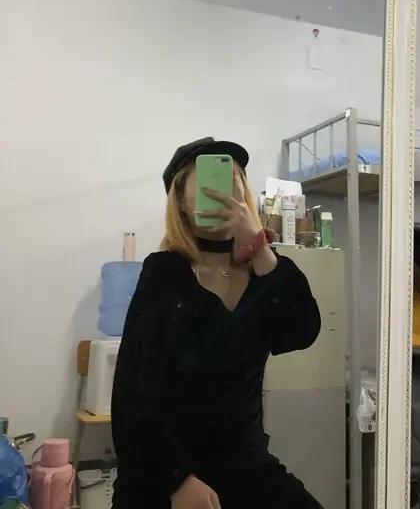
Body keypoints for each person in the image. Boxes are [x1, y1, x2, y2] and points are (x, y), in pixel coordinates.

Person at [111, 137, 322, 509]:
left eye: (234, 177)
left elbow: (301, 332)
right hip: (165, 468)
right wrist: (176, 480)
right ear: (180, 200)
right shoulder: (164, 273)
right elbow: (133, 395)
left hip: (245, 465)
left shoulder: (266, 274)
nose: (225, 188)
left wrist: (259, 248)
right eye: (211, 177)